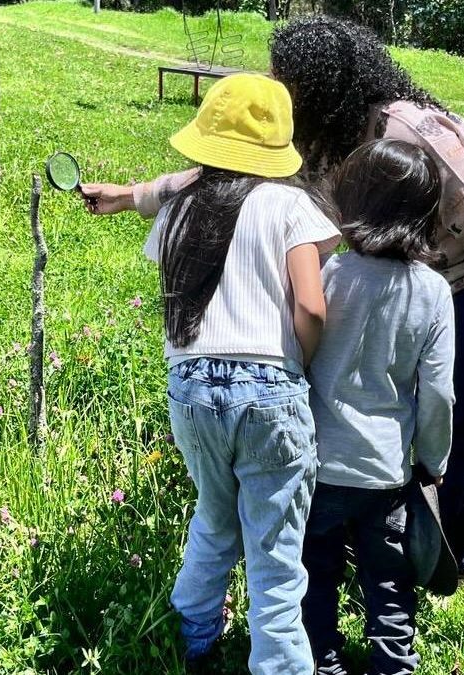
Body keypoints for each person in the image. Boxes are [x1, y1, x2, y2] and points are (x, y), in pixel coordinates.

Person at [80, 14, 464, 591]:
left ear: (322, 83)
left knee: (462, 427)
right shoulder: (315, 144)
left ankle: (453, 568)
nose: (276, 86)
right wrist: (130, 196)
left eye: (287, 77)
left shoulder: (411, 131)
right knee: (405, 411)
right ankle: (389, 532)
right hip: (425, 278)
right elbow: (222, 175)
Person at [135, 73, 340, 673]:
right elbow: (311, 305)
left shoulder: (177, 209)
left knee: (214, 516)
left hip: (191, 389)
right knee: (276, 556)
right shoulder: (288, 205)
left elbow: (176, 303)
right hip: (270, 390)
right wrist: (299, 361)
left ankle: (193, 640)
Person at [302, 138, 454, 675]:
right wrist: (432, 461)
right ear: (426, 213)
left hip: (318, 462)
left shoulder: (328, 273)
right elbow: (437, 393)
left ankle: (322, 661)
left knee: (316, 573)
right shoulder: (432, 292)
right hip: (386, 469)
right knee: (390, 580)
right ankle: (394, 664)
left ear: (352, 200)